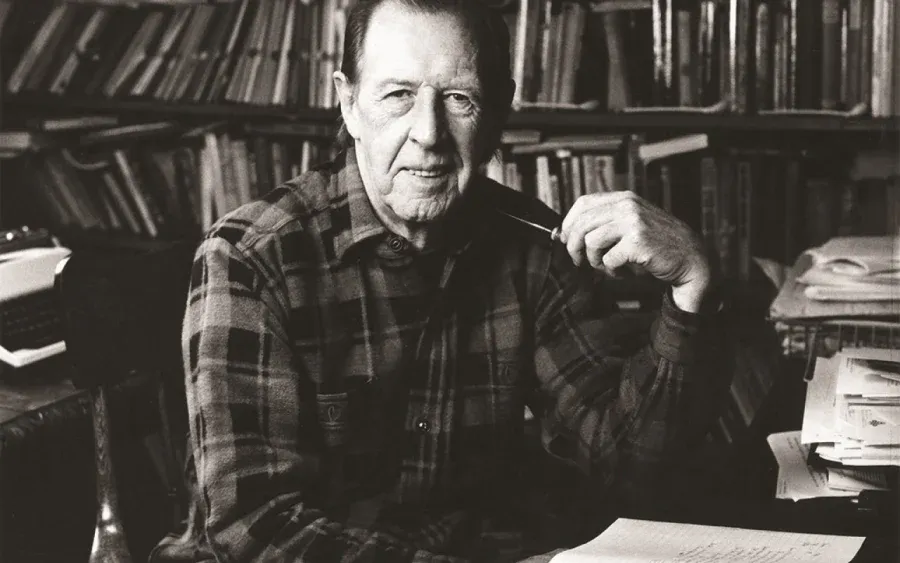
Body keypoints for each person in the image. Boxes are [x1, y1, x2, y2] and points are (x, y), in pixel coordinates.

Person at [154, 0, 726, 561]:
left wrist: (691, 285)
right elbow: (255, 527)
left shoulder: (535, 250)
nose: (428, 133)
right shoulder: (252, 258)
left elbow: (630, 466)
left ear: (499, 115)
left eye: (459, 99)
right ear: (348, 104)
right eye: (398, 95)